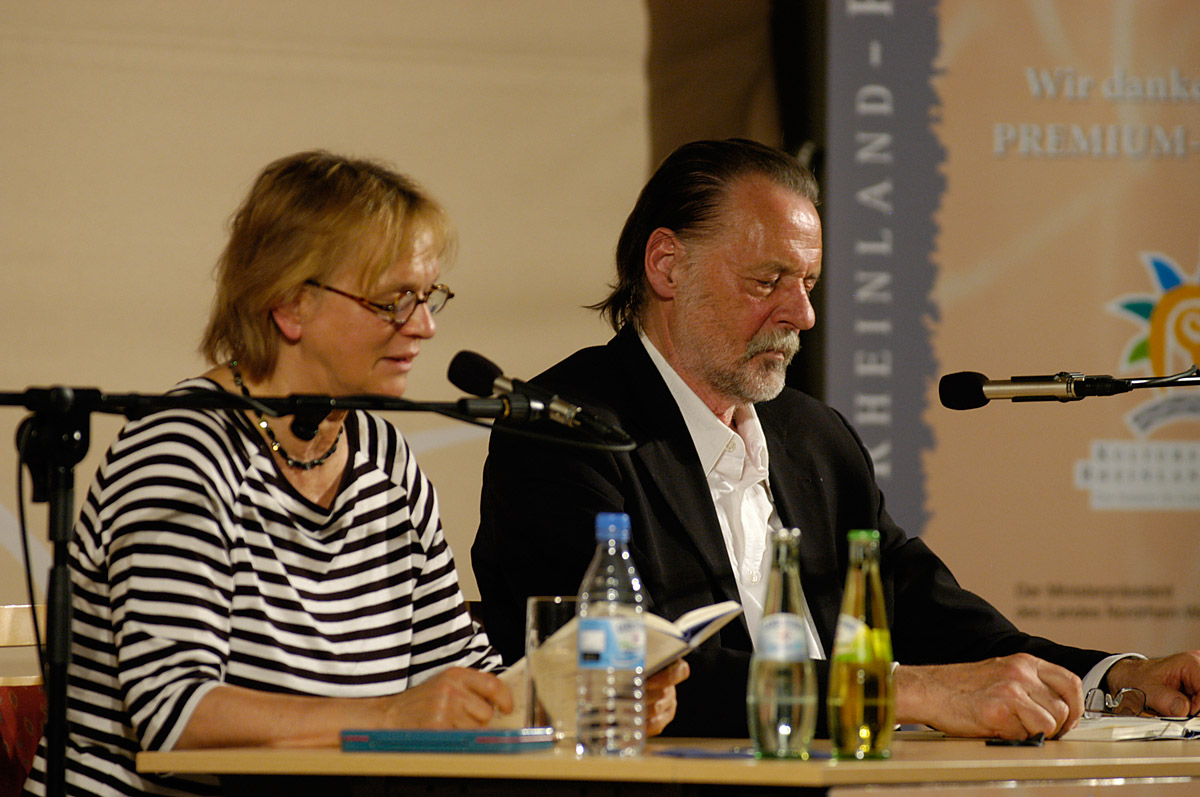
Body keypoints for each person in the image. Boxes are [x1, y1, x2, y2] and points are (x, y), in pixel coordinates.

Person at [472, 138, 1200, 740]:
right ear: (667, 265)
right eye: (769, 281)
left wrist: (1114, 676)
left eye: (810, 282)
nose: (803, 314)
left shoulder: (814, 436)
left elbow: (924, 611)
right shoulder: (562, 428)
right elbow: (630, 679)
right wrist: (906, 692)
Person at [21, 151, 685, 796]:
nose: (424, 327)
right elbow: (176, 715)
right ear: (289, 304)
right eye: (395, 300)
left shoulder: (384, 457)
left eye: (430, 297)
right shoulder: (180, 450)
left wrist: (578, 702)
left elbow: (456, 676)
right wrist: (393, 713)